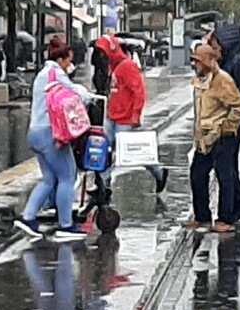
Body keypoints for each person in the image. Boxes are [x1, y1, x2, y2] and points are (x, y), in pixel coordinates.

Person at [15, 38, 96, 242]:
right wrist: (90, 96)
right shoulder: (55, 73)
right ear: (60, 60)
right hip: (50, 134)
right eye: (69, 60)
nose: (70, 65)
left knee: (49, 179)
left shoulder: (42, 74)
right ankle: (66, 225)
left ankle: (28, 218)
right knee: (68, 176)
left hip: (35, 132)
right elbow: (74, 92)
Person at [95, 35, 168, 193]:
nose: (102, 55)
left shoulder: (127, 66)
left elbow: (139, 91)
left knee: (131, 151)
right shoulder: (115, 66)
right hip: (114, 115)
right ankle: (104, 183)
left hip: (125, 118)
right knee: (107, 148)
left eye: (104, 52)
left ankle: (158, 171)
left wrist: (135, 115)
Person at [189, 44, 240, 233]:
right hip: (204, 137)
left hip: (222, 136)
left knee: (224, 176)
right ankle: (202, 217)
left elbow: (239, 108)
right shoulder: (199, 81)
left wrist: (226, 127)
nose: (195, 65)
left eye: (198, 61)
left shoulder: (223, 80)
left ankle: (226, 218)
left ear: (207, 62)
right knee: (197, 175)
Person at [209, 23, 240, 223]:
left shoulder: (237, 64)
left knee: (224, 166)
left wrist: (230, 110)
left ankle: (228, 214)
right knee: (226, 165)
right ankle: (239, 203)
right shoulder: (226, 62)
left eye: (216, 47)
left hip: (234, 122)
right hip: (224, 120)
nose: (214, 51)